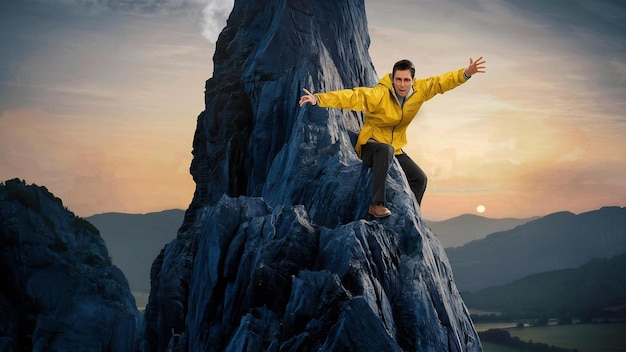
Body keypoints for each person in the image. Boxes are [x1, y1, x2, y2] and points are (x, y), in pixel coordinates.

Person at [299, 57, 486, 218]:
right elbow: (352, 96)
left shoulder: (421, 91)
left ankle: (412, 213)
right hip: (371, 146)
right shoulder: (379, 94)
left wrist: (466, 73)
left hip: (395, 149)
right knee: (384, 149)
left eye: (406, 80)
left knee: (420, 178)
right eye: (398, 79)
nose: (402, 84)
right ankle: (376, 205)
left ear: (413, 80)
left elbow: (441, 83)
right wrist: (319, 99)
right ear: (392, 78)